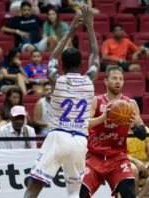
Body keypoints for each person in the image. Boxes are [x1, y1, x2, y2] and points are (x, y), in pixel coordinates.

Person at [24, 6, 100, 198]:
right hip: (80, 141)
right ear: (81, 65)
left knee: (33, 188)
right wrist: (89, 27)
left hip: (58, 137)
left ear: (63, 65)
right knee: (74, 192)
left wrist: (71, 29)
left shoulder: (57, 79)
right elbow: (96, 57)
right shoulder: (89, 79)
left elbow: (51, 58)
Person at [79, 65, 147, 198]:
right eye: (114, 78)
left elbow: (143, 134)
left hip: (118, 158)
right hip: (94, 157)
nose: (118, 81)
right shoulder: (96, 101)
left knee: (129, 194)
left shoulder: (130, 104)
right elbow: (83, 124)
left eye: (121, 79)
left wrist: (133, 126)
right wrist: (103, 117)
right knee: (81, 193)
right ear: (106, 81)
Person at [127, 126, 149, 198]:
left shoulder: (145, 129)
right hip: (128, 161)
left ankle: (138, 196)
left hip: (145, 162)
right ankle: (134, 195)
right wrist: (136, 161)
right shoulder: (120, 129)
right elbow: (119, 152)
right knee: (133, 170)